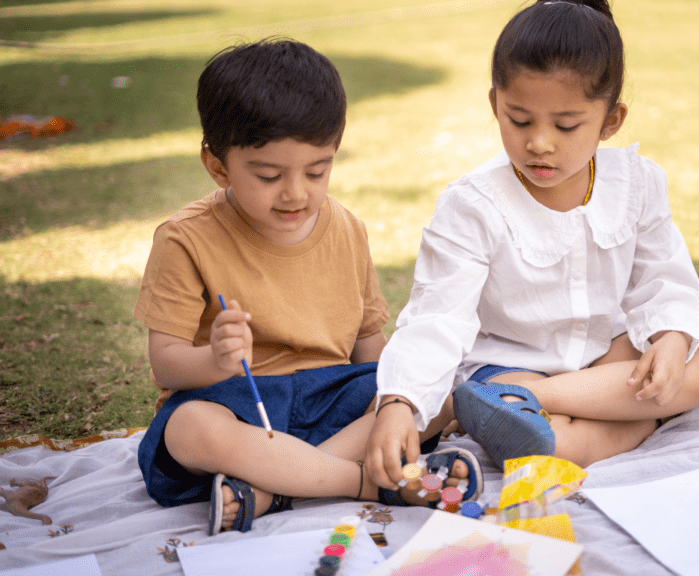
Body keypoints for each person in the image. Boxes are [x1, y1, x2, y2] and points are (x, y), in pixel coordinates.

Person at [366, 0, 699, 483]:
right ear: (495, 104)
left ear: (611, 120)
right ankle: (632, 412)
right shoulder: (472, 205)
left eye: (565, 125)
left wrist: (671, 338)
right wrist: (398, 402)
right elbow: (436, 317)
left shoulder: (636, 183)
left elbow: (664, 278)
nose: (539, 142)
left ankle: (550, 405)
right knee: (558, 430)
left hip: (608, 360)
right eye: (519, 120)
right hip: (510, 368)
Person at [134, 38, 482, 535]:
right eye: (269, 175)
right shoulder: (185, 239)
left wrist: (396, 402)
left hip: (332, 399)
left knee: (434, 391)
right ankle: (367, 481)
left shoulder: (347, 228)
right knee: (191, 430)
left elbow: (368, 347)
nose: (297, 193)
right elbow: (165, 361)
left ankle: (270, 489)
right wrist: (215, 359)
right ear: (217, 165)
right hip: (237, 406)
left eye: (317, 171)